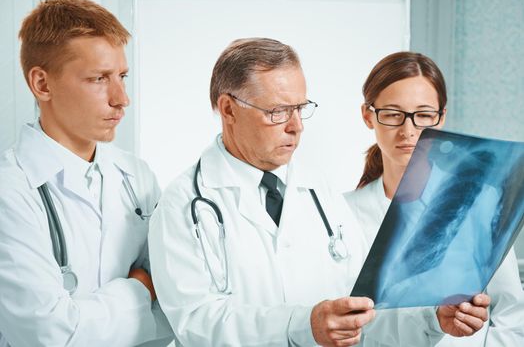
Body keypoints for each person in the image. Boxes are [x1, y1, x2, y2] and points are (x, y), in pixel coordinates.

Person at [148, 38, 489, 347]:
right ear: (228, 109)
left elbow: (364, 311)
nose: (296, 126)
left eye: (300, 108)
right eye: (277, 111)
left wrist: (432, 319)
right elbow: (194, 323)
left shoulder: (318, 190)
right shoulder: (185, 203)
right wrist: (303, 325)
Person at [0, 0, 172, 346]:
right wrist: (140, 288)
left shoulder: (136, 176)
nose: (121, 98)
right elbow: (45, 335)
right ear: (42, 85)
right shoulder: (10, 190)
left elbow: (174, 310)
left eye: (122, 76)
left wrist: (82, 317)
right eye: (99, 79)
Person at [344, 51, 524, 346]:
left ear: (441, 117)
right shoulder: (341, 214)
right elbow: (345, 324)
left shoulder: (482, 201)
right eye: (392, 114)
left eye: (424, 115)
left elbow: (512, 315)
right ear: (368, 115)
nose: (409, 130)